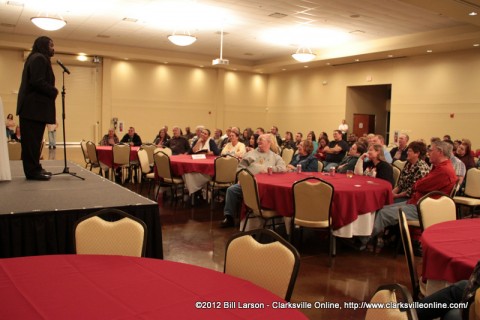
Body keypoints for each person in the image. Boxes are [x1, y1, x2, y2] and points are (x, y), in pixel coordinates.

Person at [370, 140, 457, 247]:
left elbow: (418, 186)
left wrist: (416, 186)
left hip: (423, 208)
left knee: (383, 213)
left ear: (440, 152)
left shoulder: (444, 171)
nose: (428, 153)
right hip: (417, 202)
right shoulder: (439, 167)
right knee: (383, 208)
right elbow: (416, 185)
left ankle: (365, 240)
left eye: (431, 150)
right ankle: (382, 238)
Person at [220, 134, 286, 228]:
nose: (258, 141)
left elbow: (283, 168)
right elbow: (240, 169)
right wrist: (242, 179)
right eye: (258, 140)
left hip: (267, 187)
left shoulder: (275, 157)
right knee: (231, 190)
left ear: (269, 142)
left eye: (261, 140)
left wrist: (270, 169)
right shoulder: (250, 154)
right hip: (249, 185)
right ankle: (229, 217)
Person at [16, 36, 58, 181]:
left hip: (33, 110)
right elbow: (37, 81)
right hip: (33, 109)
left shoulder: (35, 57)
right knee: (32, 142)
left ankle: (35, 168)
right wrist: (53, 91)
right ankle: (32, 171)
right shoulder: (39, 58)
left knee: (34, 142)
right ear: (44, 46)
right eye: (51, 45)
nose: (53, 48)